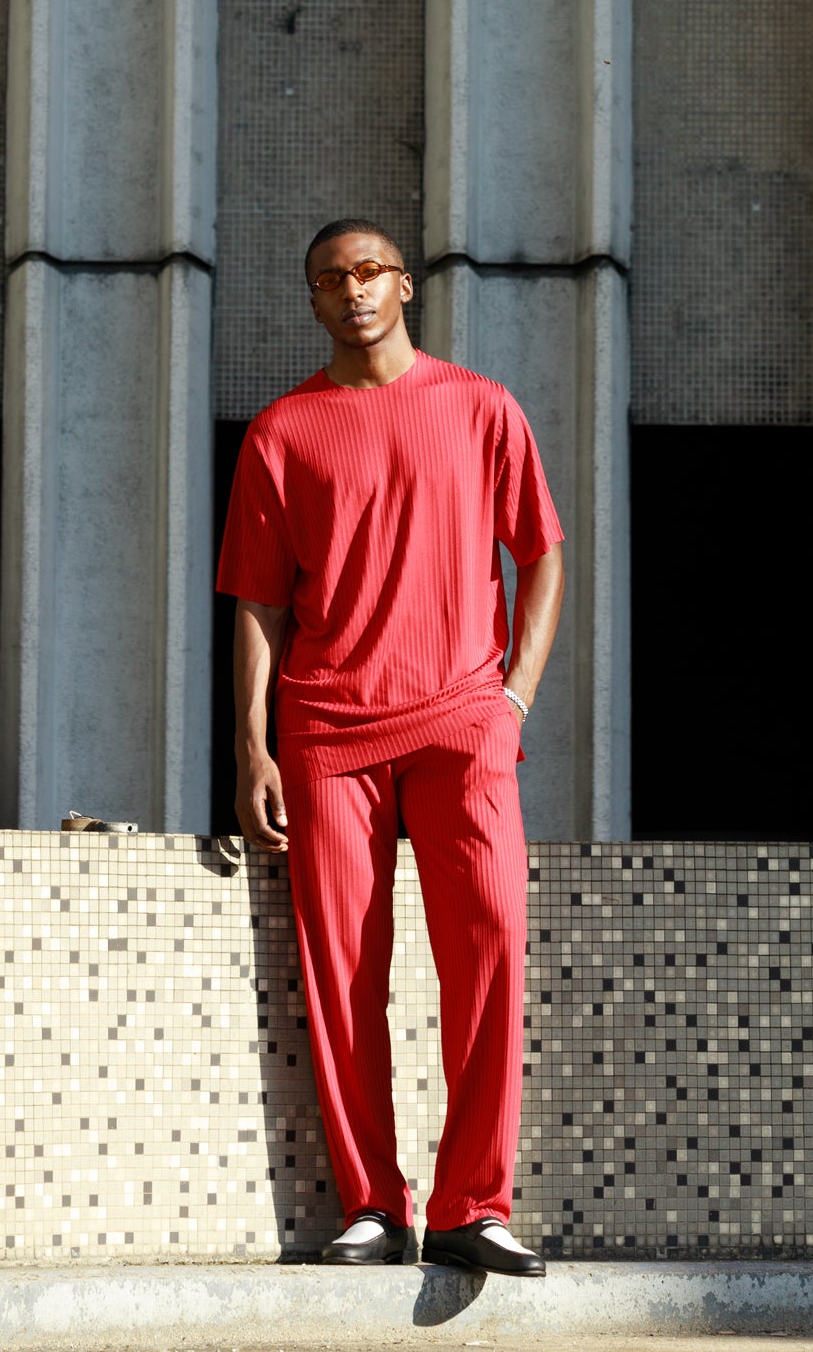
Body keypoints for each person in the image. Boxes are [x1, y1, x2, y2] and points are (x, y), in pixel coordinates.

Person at [218, 219, 566, 1274]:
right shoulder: (282, 432)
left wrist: (513, 700)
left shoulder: (481, 407)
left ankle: (473, 1205)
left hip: (463, 719)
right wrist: (251, 745)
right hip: (327, 730)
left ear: (404, 285)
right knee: (341, 974)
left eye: (369, 271)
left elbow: (542, 553)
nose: (353, 290)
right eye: (331, 279)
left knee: (490, 946)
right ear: (314, 301)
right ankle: (374, 1205)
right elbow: (258, 601)